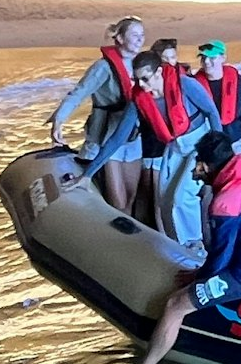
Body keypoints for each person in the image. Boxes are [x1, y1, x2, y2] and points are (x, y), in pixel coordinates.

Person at [94, 131, 241, 364]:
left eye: (197, 165)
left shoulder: (225, 203)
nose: (195, 171)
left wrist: (198, 280)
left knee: (175, 305)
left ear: (203, 166)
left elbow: (219, 259)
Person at [88, 50, 221, 247]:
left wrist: (217, 153)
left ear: (159, 72)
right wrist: (87, 174)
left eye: (145, 79)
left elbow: (212, 112)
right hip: (175, 147)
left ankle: (195, 244)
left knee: (181, 198)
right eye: (137, 80)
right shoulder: (139, 99)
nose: (141, 85)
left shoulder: (185, 84)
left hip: (200, 143)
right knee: (164, 200)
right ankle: (180, 245)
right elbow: (117, 139)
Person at [46, 15, 145, 213]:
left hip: (133, 137)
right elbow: (79, 93)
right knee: (118, 202)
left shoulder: (141, 65)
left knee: (131, 197)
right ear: (120, 38)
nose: (140, 39)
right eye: (134, 35)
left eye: (142, 35)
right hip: (107, 137)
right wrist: (59, 120)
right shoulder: (103, 67)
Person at [193, 40, 241, 156]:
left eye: (212, 58)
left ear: (223, 58)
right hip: (205, 146)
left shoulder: (239, 83)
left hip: (234, 143)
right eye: (203, 58)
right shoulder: (194, 85)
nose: (206, 62)